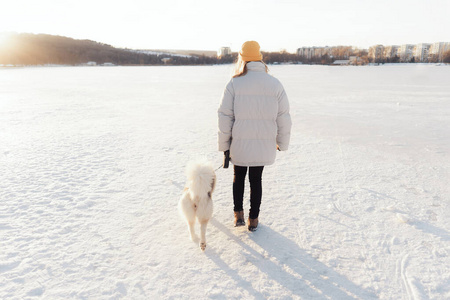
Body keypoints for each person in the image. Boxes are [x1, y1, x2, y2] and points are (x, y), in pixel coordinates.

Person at [217, 41, 292, 232]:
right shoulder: (275, 84)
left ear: (242, 59)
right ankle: (253, 219)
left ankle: (238, 215)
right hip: (263, 142)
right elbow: (283, 116)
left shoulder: (234, 83)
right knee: (256, 179)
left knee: (239, 177)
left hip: (239, 144)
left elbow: (225, 116)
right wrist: (282, 143)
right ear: (259, 58)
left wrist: (224, 145)